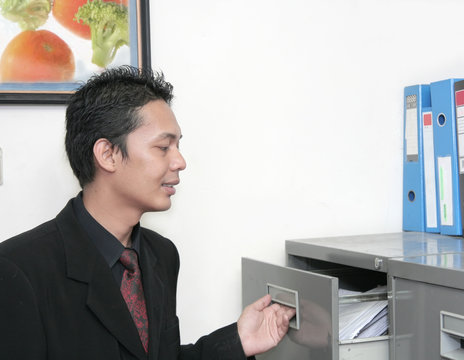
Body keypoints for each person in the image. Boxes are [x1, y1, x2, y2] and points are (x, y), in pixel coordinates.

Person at [0, 66, 295, 360]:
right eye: (164, 147)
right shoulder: (17, 270)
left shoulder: (161, 255)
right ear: (108, 154)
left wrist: (239, 340)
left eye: (178, 146)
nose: (180, 161)